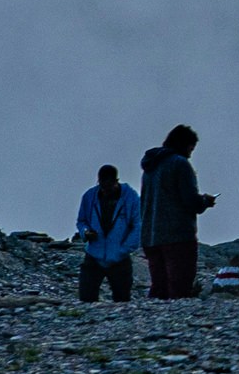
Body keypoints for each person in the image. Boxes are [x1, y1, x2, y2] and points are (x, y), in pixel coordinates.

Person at [140, 125, 214, 300]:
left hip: (151, 236)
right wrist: (205, 201)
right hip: (177, 236)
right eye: (190, 148)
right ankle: (178, 325)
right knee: (179, 287)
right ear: (183, 144)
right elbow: (190, 201)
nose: (190, 154)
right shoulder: (180, 164)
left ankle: (155, 324)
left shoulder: (150, 166)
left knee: (159, 287)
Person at [74, 163, 142, 303]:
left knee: (123, 301)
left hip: (120, 259)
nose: (105, 190)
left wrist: (123, 250)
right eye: (102, 186)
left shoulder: (131, 197)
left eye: (109, 186)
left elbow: (138, 226)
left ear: (116, 182)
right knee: (86, 300)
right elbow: (81, 221)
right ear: (99, 182)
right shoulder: (89, 196)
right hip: (94, 256)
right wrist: (85, 232)